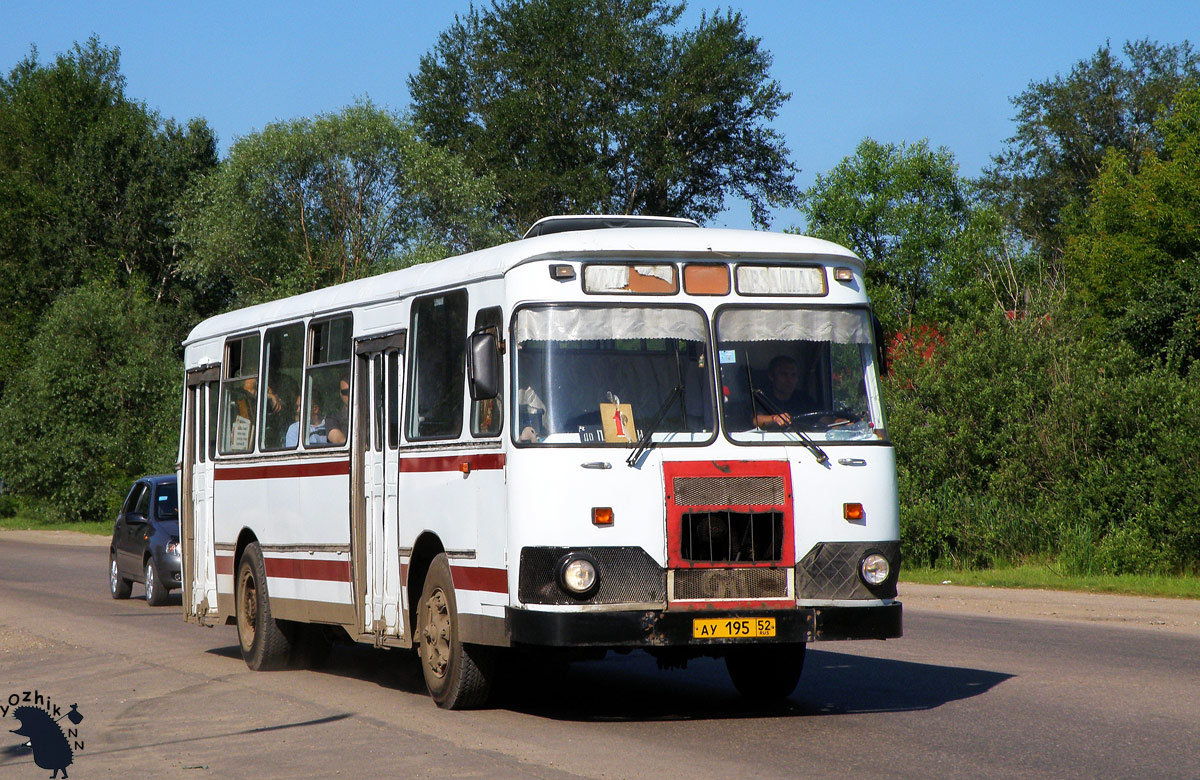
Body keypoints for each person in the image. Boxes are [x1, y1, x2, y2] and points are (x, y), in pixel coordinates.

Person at [752, 355, 817, 429]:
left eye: (793, 375)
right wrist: (775, 419)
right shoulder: (761, 398)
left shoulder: (804, 399)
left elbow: (823, 419)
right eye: (784, 374)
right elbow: (756, 420)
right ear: (771, 376)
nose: (789, 380)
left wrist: (833, 423)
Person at [324, 377, 349, 445]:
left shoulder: (373, 416)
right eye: (345, 392)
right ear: (340, 394)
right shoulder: (333, 418)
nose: (350, 394)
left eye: (353, 390)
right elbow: (337, 439)